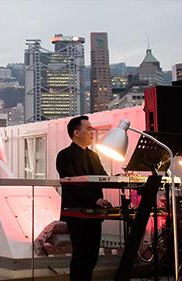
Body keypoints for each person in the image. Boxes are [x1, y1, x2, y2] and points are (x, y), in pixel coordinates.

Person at [56, 115, 112, 281]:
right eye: (88, 129)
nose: (92, 132)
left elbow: (103, 177)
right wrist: (95, 200)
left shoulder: (94, 156)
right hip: (77, 213)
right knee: (81, 255)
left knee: (92, 256)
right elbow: (71, 183)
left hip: (95, 213)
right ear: (75, 132)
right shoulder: (64, 155)